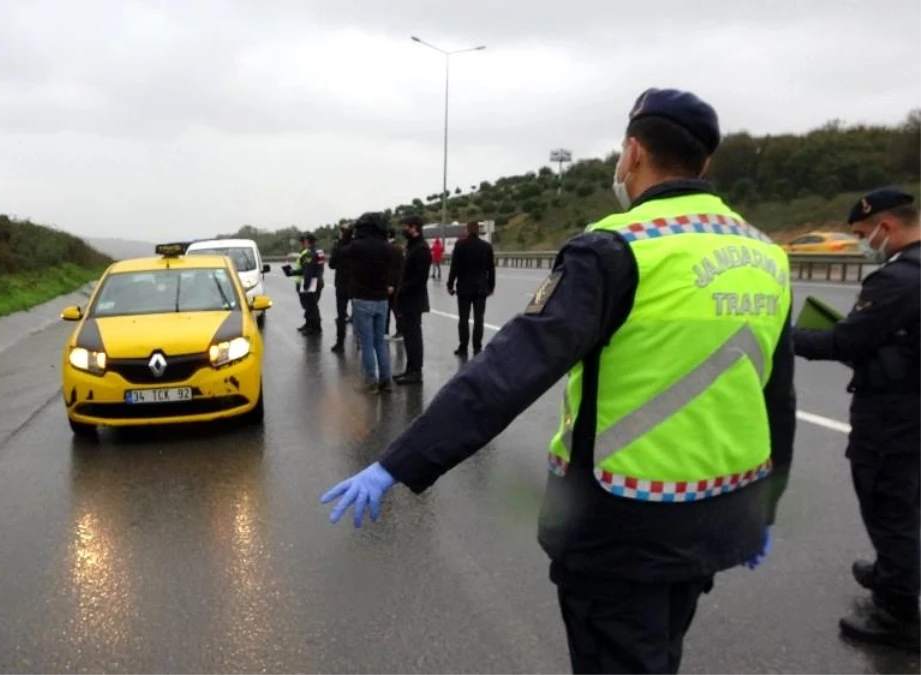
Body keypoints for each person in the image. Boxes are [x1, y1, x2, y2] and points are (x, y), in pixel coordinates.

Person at [320, 87, 797, 674]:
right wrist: (763, 506)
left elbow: (506, 374)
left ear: (634, 151)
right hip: (717, 512)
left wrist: (397, 461)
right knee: (660, 652)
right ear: (705, 164)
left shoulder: (619, 250)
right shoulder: (764, 254)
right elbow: (777, 395)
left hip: (621, 522)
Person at [794, 186, 921, 651]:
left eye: (863, 233)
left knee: (888, 506)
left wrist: (785, 337)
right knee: (907, 501)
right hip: (911, 409)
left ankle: (900, 612)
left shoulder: (897, 279)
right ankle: (892, 573)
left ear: (886, 227)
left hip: (894, 415)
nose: (862, 242)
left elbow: (846, 342)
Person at [347, 212, 398, 392]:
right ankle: (386, 379)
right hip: (382, 299)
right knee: (380, 342)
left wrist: (345, 235)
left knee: (366, 343)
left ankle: (371, 381)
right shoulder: (387, 248)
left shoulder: (357, 246)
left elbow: (338, 258)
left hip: (362, 299)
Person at [393, 214, 432, 385]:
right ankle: (410, 369)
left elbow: (420, 278)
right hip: (407, 299)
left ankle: (415, 372)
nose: (404, 229)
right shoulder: (413, 246)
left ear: (415, 227)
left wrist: (403, 289)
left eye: (406, 226)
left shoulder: (421, 248)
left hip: (413, 300)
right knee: (409, 337)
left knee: (414, 337)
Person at [446, 221, 495, 356]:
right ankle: (477, 346)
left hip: (464, 288)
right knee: (479, 318)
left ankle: (463, 346)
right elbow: (491, 269)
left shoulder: (460, 245)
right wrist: (491, 286)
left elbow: (454, 267)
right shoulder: (486, 247)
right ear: (478, 231)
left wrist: (450, 285)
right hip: (480, 288)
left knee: (463, 319)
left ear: (467, 231)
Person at [283, 233, 324, 335]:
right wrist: (293, 272)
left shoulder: (309, 254)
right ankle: (314, 326)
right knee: (313, 306)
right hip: (318, 281)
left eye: (305, 241)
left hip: (312, 282)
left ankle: (313, 328)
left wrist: (306, 285)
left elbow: (308, 271)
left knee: (311, 307)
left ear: (307, 242)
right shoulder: (319, 252)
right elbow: (309, 269)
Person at [328, 222, 355, 353]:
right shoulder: (356, 245)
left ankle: (340, 343)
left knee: (341, 315)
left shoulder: (338, 246)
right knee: (358, 314)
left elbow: (331, 264)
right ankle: (359, 342)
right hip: (356, 282)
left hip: (342, 283)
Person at [385, 228, 404, 340]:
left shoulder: (391, 248)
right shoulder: (399, 247)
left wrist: (390, 284)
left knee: (390, 308)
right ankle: (400, 331)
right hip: (398, 282)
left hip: (393, 284)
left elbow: (392, 268)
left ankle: (390, 331)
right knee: (396, 308)